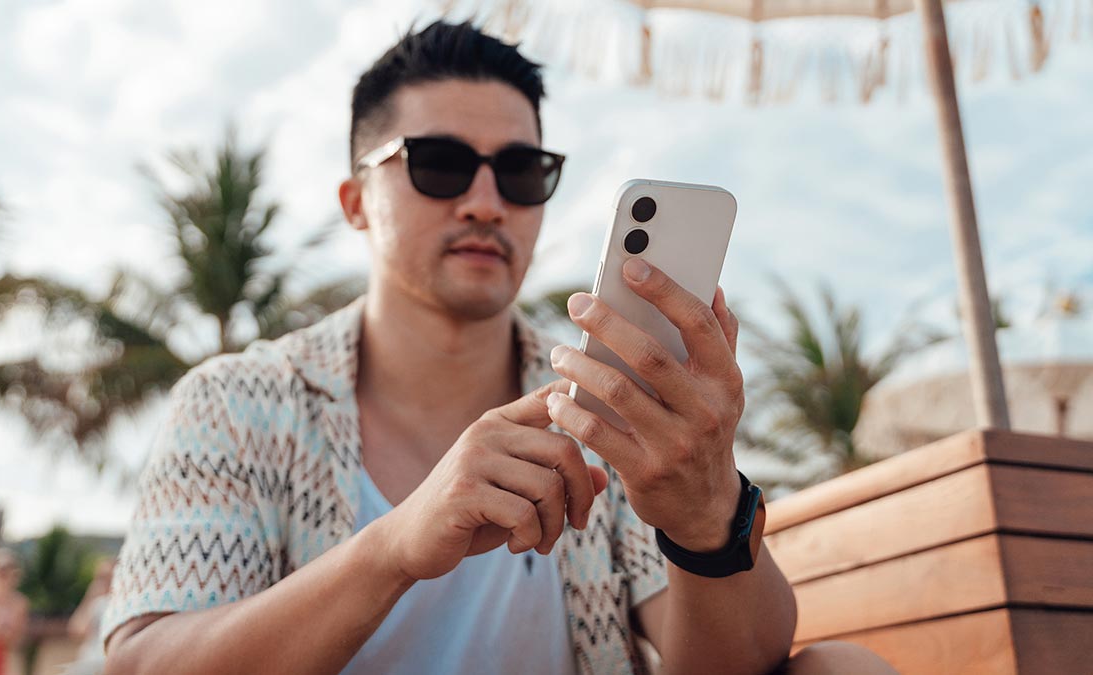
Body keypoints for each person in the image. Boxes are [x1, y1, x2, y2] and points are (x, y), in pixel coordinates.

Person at [101, 20, 896, 675]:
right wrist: (394, 548)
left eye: (520, 171)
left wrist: (707, 515)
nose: (486, 202)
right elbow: (144, 662)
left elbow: (745, 664)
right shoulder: (236, 403)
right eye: (440, 164)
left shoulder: (606, 397)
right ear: (355, 202)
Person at [64, 558, 115, 675]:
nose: (106, 582)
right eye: (102, 578)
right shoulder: (98, 603)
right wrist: (90, 596)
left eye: (109, 577)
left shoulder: (118, 605)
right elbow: (76, 630)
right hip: (90, 662)